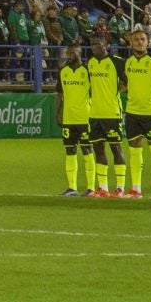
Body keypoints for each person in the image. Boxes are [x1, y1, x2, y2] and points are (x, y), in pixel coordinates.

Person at [120, 27, 151, 199]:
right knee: (134, 151)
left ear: (147, 42)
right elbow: (124, 85)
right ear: (131, 42)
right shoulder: (128, 62)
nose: (139, 42)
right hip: (132, 112)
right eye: (136, 39)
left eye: (142, 39)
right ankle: (136, 189)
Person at [84, 34, 127, 198]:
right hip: (95, 113)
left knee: (116, 148)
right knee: (98, 149)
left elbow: (129, 81)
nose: (94, 47)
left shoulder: (117, 62)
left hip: (112, 112)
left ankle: (120, 187)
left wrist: (116, 92)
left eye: (98, 44)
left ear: (106, 44)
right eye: (92, 44)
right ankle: (103, 187)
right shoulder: (90, 63)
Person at [53, 43, 93, 196]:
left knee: (87, 151)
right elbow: (59, 94)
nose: (69, 55)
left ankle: (91, 188)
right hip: (69, 119)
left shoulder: (87, 71)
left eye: (72, 53)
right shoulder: (63, 71)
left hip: (85, 118)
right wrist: (57, 113)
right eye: (67, 53)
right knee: (70, 151)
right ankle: (72, 187)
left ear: (79, 53)